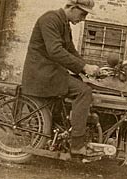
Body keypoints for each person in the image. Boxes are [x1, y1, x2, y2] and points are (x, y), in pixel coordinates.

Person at [22, 0, 99, 156]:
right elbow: (55, 51)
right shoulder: (50, 19)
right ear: (71, 7)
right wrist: (83, 67)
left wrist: (87, 68)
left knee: (83, 84)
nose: (83, 18)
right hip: (42, 73)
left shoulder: (64, 24)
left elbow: (71, 51)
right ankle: (77, 143)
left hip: (51, 72)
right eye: (82, 13)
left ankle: (61, 136)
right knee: (84, 92)